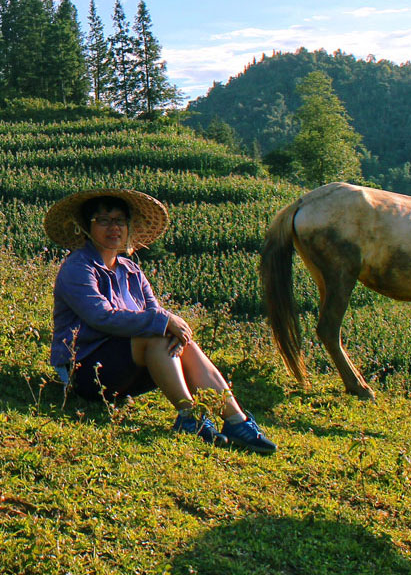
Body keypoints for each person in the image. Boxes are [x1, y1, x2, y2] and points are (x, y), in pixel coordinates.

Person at [47, 187, 276, 454]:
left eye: (120, 221)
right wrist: (163, 321)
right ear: (87, 226)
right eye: (104, 221)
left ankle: (237, 420)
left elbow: (153, 311)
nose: (114, 228)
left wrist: (172, 328)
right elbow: (100, 316)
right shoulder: (78, 267)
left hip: (129, 368)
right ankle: (189, 417)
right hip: (88, 371)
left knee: (180, 342)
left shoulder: (131, 270)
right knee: (157, 332)